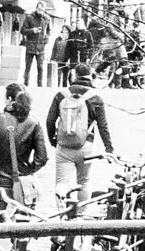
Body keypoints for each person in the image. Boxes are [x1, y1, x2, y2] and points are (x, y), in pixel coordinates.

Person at [0, 84, 51, 218]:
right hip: (22, 187)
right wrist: (27, 171)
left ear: (9, 99)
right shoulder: (34, 123)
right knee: (21, 229)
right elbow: (42, 158)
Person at [46, 67, 115, 211]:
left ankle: (61, 214)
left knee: (62, 182)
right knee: (84, 181)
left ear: (74, 75)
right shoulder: (95, 98)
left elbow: (49, 120)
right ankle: (82, 217)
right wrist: (109, 148)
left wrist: (54, 140)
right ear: (91, 76)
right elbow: (103, 126)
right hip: (86, 147)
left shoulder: (61, 95)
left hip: (64, 146)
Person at [21, 6, 52, 87]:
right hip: (30, 45)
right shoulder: (29, 17)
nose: (40, 11)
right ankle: (26, 84)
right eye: (39, 9)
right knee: (28, 66)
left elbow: (49, 31)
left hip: (41, 46)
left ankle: (40, 85)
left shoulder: (47, 18)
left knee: (40, 67)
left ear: (44, 10)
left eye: (42, 9)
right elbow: (23, 30)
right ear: (36, 8)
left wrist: (46, 39)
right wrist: (32, 30)